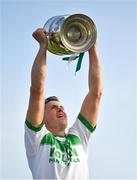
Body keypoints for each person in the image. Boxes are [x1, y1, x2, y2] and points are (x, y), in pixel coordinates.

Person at [24, 28, 102, 180]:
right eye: (53, 107)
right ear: (42, 116)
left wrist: (92, 47)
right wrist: (43, 47)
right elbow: (37, 90)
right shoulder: (37, 138)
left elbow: (96, 93)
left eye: (61, 107)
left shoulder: (78, 135)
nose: (60, 109)